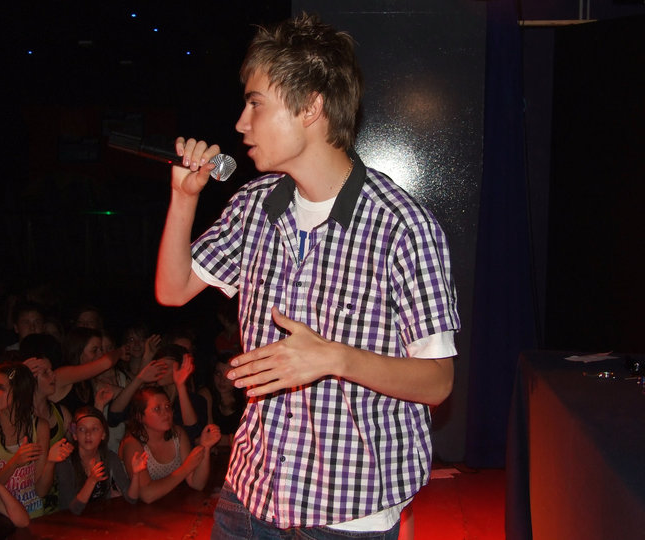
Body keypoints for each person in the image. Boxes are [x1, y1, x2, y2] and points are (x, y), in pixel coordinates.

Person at [153, 13, 460, 539]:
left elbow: (438, 383)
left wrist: (333, 358)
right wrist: (184, 199)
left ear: (311, 107)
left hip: (349, 512)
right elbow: (172, 289)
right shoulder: (253, 206)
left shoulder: (402, 226)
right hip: (250, 495)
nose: (240, 124)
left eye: (255, 104)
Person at [0, 361, 73, 518]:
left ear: (20, 392)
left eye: (0, 388)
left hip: (34, 515)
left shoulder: (39, 426)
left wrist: (51, 461)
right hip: (1, 519)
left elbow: (41, 491)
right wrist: (15, 462)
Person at [119, 385, 220, 504]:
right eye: (157, 409)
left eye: (167, 407)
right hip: (131, 510)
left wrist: (206, 447)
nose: (166, 413)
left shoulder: (178, 434)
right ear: (140, 417)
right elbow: (147, 495)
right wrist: (185, 468)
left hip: (168, 505)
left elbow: (197, 484)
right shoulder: (132, 444)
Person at [55, 407, 143, 515]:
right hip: (71, 522)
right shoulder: (66, 462)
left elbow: (131, 498)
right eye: (82, 429)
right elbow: (71, 509)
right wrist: (92, 481)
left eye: (94, 429)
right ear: (75, 435)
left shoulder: (110, 457)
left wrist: (136, 474)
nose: (88, 434)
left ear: (103, 434)